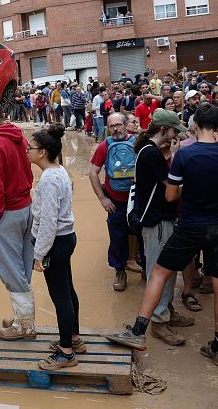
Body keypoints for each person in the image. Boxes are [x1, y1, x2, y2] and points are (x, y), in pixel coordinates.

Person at [106, 105, 218, 366]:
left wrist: (187, 186)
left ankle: (137, 333)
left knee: (158, 272)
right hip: (216, 226)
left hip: (190, 225)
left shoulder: (184, 156)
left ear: (196, 126)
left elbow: (170, 195)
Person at [132, 110, 195, 346]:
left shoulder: (147, 150)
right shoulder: (152, 155)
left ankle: (166, 310)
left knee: (166, 270)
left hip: (157, 220)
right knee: (160, 271)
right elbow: (171, 192)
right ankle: (159, 320)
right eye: (173, 130)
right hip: (157, 221)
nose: (176, 134)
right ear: (163, 130)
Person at [25, 124, 80, 370]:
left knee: (60, 296)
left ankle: (66, 352)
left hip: (55, 243)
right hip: (65, 239)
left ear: (43, 152)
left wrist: (39, 254)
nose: (27, 151)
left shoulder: (49, 179)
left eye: (31, 147)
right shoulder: (59, 172)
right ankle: (74, 339)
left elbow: (48, 221)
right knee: (67, 289)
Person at [0, 101, 36, 340]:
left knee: (12, 270)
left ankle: (25, 326)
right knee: (23, 265)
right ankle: (23, 317)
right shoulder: (19, 136)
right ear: (3, 116)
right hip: (27, 206)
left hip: (8, 212)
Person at [89, 113, 136, 291]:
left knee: (142, 234)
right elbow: (93, 172)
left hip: (136, 200)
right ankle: (120, 271)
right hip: (115, 201)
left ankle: (147, 269)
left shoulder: (137, 142)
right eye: (112, 126)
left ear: (126, 125)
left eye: (119, 124)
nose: (116, 128)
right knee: (117, 238)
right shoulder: (105, 145)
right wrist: (102, 198)